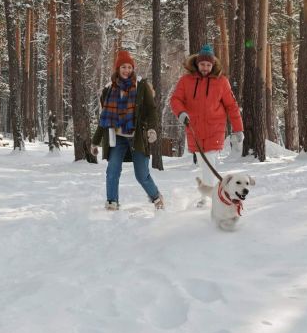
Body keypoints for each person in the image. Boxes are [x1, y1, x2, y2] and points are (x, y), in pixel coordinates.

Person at [170, 44, 244, 207]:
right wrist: (181, 113)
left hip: (214, 128)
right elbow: (175, 99)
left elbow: (231, 105)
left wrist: (238, 128)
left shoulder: (221, 82)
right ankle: (213, 195)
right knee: (204, 164)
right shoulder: (186, 81)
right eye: (202, 64)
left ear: (213, 65)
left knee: (209, 162)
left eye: (208, 65)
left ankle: (208, 200)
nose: (205, 68)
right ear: (197, 63)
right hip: (194, 128)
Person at [91, 50, 164, 211]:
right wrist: (95, 142)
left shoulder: (141, 86)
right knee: (112, 171)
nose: (126, 70)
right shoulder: (109, 89)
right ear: (118, 69)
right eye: (123, 67)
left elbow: (151, 110)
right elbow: (104, 118)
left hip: (137, 136)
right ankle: (112, 201)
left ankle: (156, 197)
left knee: (142, 174)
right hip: (117, 138)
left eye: (129, 67)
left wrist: (152, 129)